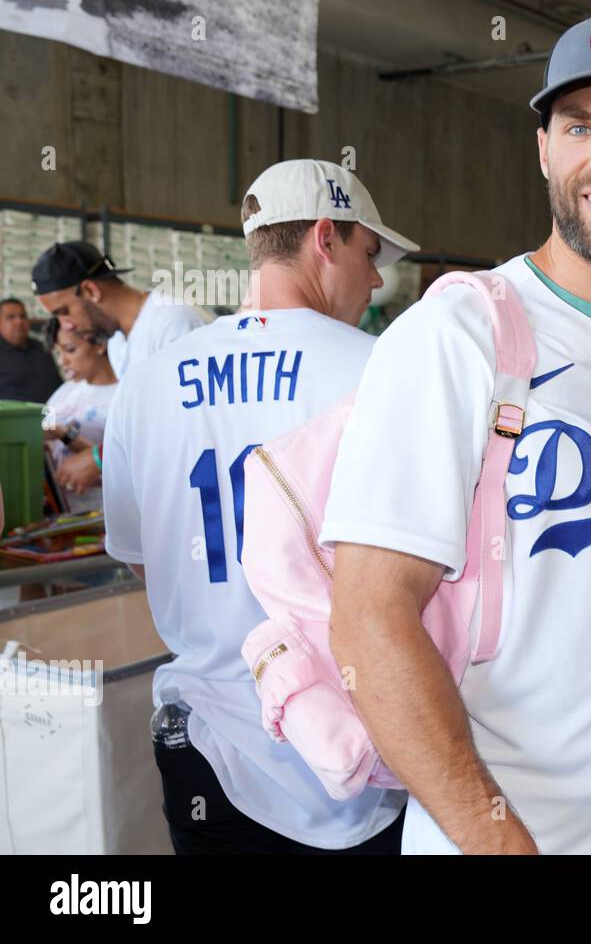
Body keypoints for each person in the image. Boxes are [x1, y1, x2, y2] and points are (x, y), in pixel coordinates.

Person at [321, 11, 591, 855]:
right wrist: (496, 836)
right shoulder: (458, 338)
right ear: (544, 149)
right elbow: (369, 618)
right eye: (578, 126)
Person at [101, 159, 419, 854]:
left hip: (206, 747)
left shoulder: (146, 384)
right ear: (325, 237)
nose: (374, 280)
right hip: (352, 749)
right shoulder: (384, 371)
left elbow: (141, 563)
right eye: (370, 256)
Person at [32, 241, 208, 494]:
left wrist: (99, 457)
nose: (66, 326)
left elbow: (188, 423)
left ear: (91, 290)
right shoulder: (117, 341)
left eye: (64, 312)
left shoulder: (172, 323)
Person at [43, 325, 118, 513]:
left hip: (99, 510)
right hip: (59, 508)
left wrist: (64, 434)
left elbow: (119, 457)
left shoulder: (121, 396)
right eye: (57, 352)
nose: (62, 361)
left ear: (99, 345)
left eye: (70, 350)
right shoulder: (65, 391)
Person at [0, 297, 63, 403]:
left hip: (51, 415)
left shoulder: (41, 348)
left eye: (23, 316)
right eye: (11, 317)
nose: (19, 321)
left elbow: (57, 385)